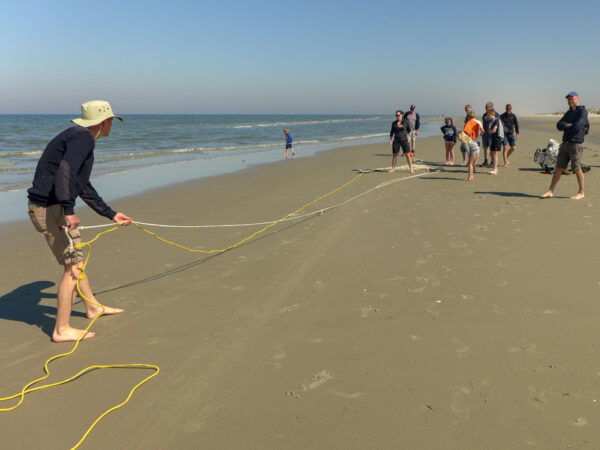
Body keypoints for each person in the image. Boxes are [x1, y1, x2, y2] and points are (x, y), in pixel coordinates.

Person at [27, 100, 132, 342]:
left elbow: (81, 183)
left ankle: (92, 307)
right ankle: (61, 329)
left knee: (78, 259)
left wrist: (110, 213)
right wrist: (68, 209)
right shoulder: (83, 138)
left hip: (53, 206)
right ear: (104, 121)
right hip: (49, 208)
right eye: (111, 121)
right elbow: (66, 171)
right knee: (72, 267)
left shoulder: (79, 137)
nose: (111, 125)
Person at [541, 92, 589, 200]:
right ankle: (550, 191)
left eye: (572, 98)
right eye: (568, 99)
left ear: (577, 99)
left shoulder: (582, 111)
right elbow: (559, 125)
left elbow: (577, 127)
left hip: (576, 144)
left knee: (576, 168)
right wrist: (568, 125)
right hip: (565, 144)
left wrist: (566, 126)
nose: (570, 100)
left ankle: (581, 192)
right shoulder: (568, 113)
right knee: (558, 168)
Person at [462, 111, 484, 181]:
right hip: (476, 143)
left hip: (473, 145)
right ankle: (472, 175)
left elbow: (466, 132)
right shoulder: (478, 122)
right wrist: (478, 135)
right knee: (472, 163)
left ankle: (470, 177)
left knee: (470, 163)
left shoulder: (468, 123)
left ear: (468, 117)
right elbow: (483, 131)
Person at [487, 110, 502, 175]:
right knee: (491, 153)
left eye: (488, 115)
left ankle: (495, 169)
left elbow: (494, 130)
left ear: (492, 115)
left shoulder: (496, 120)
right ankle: (494, 168)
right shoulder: (492, 121)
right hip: (493, 139)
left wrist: (489, 131)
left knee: (495, 154)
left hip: (497, 139)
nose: (487, 117)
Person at [481, 101, 495, 167]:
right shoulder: (484, 115)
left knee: (491, 148)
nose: (486, 109)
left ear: (491, 107)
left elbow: (497, 124)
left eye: (487, 107)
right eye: (485, 107)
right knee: (485, 147)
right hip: (485, 133)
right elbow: (483, 124)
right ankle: (486, 161)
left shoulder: (495, 114)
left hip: (491, 134)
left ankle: (493, 161)